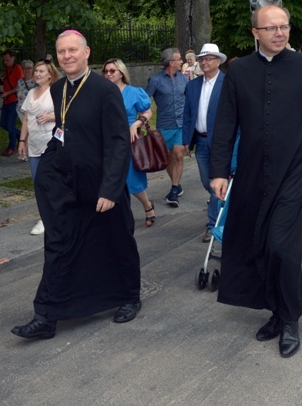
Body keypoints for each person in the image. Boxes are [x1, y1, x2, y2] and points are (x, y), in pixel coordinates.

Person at [209, 5, 302, 359]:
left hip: (293, 171)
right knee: (260, 245)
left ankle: (290, 319)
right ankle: (275, 310)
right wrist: (219, 171)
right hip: (252, 173)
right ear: (255, 32)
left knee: (283, 246)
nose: (279, 33)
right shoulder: (239, 71)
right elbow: (225, 125)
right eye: (271, 28)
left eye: (283, 27)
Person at [11, 30, 141, 340]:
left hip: (102, 185)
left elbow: (119, 142)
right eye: (61, 51)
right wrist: (47, 169)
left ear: (86, 52)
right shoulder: (57, 89)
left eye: (73, 50)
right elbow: (63, 130)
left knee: (116, 242)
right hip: (70, 185)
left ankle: (129, 297)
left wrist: (110, 189)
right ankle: (47, 315)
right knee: (60, 244)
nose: (67, 56)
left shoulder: (104, 90)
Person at [182, 44, 227, 243]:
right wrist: (186, 140)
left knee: (216, 182)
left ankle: (213, 224)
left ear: (218, 61)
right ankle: (222, 208)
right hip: (200, 140)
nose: (204, 62)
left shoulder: (227, 84)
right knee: (207, 182)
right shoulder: (192, 85)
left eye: (208, 58)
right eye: (202, 59)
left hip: (220, 142)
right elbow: (187, 114)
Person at [103, 58, 156, 227]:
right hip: (107, 138)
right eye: (106, 71)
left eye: (112, 71)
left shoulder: (134, 92)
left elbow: (148, 111)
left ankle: (147, 205)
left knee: (131, 179)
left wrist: (136, 123)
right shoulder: (102, 93)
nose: (108, 74)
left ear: (121, 73)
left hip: (129, 138)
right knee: (111, 177)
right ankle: (121, 215)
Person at [17, 59, 58, 236]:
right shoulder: (31, 92)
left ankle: (55, 216)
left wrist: (50, 117)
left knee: (53, 181)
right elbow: (26, 119)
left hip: (52, 144)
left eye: (42, 71)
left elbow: (66, 114)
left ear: (50, 74)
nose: (38, 74)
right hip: (34, 145)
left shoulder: (55, 92)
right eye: (36, 71)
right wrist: (21, 141)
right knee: (38, 183)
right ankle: (45, 216)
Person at [145, 47, 188, 207]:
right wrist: (143, 117)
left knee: (178, 155)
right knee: (168, 158)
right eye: (179, 59)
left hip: (182, 124)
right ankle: (176, 183)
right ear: (171, 62)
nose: (182, 61)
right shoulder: (155, 80)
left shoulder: (183, 79)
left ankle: (174, 190)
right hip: (165, 125)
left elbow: (190, 99)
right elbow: (145, 100)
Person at [0, 50, 24, 156]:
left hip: (14, 100)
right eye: (4, 60)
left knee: (10, 124)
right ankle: (21, 135)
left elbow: (20, 85)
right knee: (4, 124)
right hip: (7, 100)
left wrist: (7, 93)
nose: (5, 62)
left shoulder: (17, 68)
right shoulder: (7, 70)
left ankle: (11, 148)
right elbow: (9, 82)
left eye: (7, 60)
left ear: (13, 58)